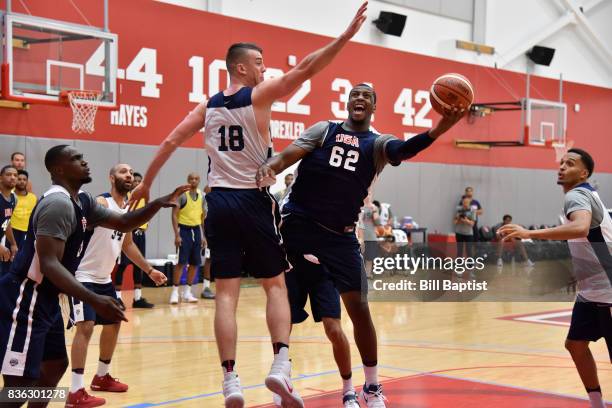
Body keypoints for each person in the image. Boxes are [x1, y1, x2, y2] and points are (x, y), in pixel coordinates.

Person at [128, 4, 368, 407]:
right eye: (258, 62)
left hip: (216, 202)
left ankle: (230, 380)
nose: (263, 68)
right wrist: (343, 38)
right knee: (275, 285)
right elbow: (306, 69)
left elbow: (169, 142)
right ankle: (280, 363)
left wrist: (148, 183)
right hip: (253, 200)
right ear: (240, 68)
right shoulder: (256, 95)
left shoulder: (207, 108)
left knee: (225, 295)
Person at [256, 83, 465, 407]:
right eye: (355, 94)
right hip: (298, 226)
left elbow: (405, 149)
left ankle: (370, 387)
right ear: (347, 102)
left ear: (373, 107)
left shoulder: (378, 144)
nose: (360, 98)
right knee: (281, 299)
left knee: (360, 309)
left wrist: (439, 129)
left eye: (367, 95)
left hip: (339, 237)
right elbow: (287, 156)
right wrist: (269, 169)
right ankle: (282, 368)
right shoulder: (324, 130)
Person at [0, 145, 187, 408]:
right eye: (76, 159)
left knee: (54, 366)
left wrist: (157, 203)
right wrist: (94, 299)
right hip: (25, 297)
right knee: (17, 388)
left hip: (46, 298)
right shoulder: (58, 204)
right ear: (59, 169)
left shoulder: (83, 201)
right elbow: (50, 264)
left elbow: (124, 224)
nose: (84, 162)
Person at [499, 148, 611, 408]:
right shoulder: (588, 195)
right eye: (561, 162)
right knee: (575, 345)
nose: (562, 166)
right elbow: (592, 237)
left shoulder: (577, 194)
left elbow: (580, 227)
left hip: (607, 291)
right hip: (592, 290)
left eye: (569, 164)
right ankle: (597, 404)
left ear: (584, 173)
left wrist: (529, 233)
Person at [66, 163, 168, 407]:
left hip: (103, 279)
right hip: (81, 276)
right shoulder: (100, 204)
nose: (129, 175)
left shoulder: (127, 209)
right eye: (123, 172)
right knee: (86, 326)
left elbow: (127, 244)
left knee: (114, 321)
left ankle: (101, 376)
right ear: (111, 177)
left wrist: (150, 270)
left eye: (132, 173)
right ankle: (74, 391)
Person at [114, 172, 154, 308]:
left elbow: (148, 212)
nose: (137, 183)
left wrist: (146, 224)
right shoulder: (125, 197)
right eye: (135, 181)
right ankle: (117, 298)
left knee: (139, 265)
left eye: (139, 181)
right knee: (123, 265)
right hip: (128, 233)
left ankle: (137, 298)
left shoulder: (144, 197)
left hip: (140, 234)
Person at [170, 172, 205, 304]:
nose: (193, 181)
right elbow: (174, 215)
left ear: (199, 181)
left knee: (195, 263)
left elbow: (203, 218)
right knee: (181, 262)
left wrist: (203, 236)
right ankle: (174, 292)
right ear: (187, 180)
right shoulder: (182, 195)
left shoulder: (202, 196)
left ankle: (187, 292)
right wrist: (177, 234)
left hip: (196, 231)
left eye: (196, 179)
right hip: (183, 230)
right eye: (191, 178)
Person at [10, 170, 37, 248]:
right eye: (19, 179)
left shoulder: (33, 197)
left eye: (24, 180)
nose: (22, 182)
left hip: (28, 231)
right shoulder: (9, 196)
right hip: (12, 231)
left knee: (24, 258)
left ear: (27, 182)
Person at [0, 165, 18, 275]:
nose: (13, 177)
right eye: (8, 174)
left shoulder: (13, 198)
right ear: (1, 178)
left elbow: (6, 222)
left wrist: (13, 244)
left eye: (15, 175)